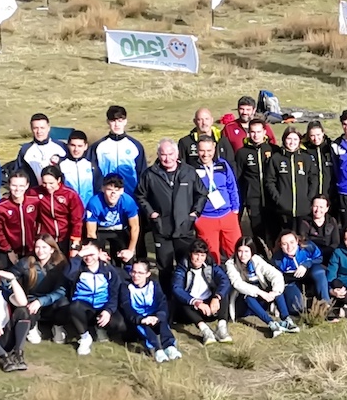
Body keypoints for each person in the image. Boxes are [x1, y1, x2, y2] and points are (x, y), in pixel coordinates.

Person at [136, 139, 207, 278]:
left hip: (185, 227)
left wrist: (195, 213)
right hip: (161, 229)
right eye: (163, 154)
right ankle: (166, 292)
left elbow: (202, 194)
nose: (167, 158)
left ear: (177, 154)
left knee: (186, 265)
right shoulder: (150, 174)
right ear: (158, 154)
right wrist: (151, 213)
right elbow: (140, 195)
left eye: (170, 154)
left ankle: (184, 292)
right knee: (164, 267)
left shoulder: (189, 172)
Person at [61, 241, 125, 354]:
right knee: (74, 307)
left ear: (99, 252)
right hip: (84, 307)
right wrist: (79, 255)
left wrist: (108, 310)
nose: (88, 258)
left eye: (92, 254)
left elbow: (114, 293)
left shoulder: (108, 270)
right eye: (85, 254)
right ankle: (85, 337)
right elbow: (67, 274)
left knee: (120, 325)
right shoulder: (78, 267)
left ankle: (99, 328)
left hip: (102, 306)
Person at [190, 135, 241, 263]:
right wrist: (195, 216)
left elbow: (232, 186)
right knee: (211, 255)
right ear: (197, 150)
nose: (205, 154)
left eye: (209, 150)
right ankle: (214, 274)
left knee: (235, 251)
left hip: (227, 214)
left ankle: (238, 273)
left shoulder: (222, 164)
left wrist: (235, 208)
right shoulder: (191, 168)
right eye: (202, 150)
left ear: (214, 148)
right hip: (205, 217)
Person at [226, 240, 293, 337]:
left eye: (246, 251)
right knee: (247, 296)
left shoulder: (256, 259)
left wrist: (274, 292)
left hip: (261, 297)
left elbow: (275, 274)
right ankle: (271, 324)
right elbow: (237, 284)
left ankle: (287, 320)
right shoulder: (231, 264)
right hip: (244, 301)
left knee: (277, 290)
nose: (243, 255)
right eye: (240, 251)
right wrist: (260, 292)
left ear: (251, 251)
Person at [171, 239, 233, 342]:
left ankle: (221, 328)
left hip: (210, 304)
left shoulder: (210, 264)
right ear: (190, 254)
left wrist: (216, 298)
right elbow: (176, 288)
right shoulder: (182, 268)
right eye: (196, 254)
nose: (199, 259)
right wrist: (196, 302)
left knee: (223, 293)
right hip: (193, 307)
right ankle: (205, 331)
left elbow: (225, 280)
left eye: (202, 255)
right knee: (183, 300)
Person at [120, 259, 180, 363]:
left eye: (140, 273)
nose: (136, 275)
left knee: (162, 321)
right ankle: (156, 349)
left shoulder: (154, 284)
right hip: (137, 318)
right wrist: (140, 319)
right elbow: (126, 307)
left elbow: (162, 302)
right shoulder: (125, 286)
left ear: (148, 274)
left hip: (153, 315)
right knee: (144, 327)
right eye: (133, 272)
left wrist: (158, 316)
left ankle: (170, 346)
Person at [17, 236, 72, 344]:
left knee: (64, 304)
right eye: (37, 247)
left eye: (44, 247)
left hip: (52, 301)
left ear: (52, 249)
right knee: (24, 310)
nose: (40, 251)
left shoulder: (61, 264)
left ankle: (57, 326)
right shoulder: (26, 262)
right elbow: (9, 278)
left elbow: (61, 290)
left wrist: (41, 301)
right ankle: (32, 326)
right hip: (31, 301)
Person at [0, 172, 42, 268]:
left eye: (21, 186)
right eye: (14, 185)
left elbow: (40, 222)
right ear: (9, 185)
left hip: (31, 249)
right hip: (8, 251)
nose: (17, 189)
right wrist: (9, 250)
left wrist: (37, 243)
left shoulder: (35, 201)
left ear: (27, 185)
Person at [92, 104, 146, 194]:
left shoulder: (135, 146)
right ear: (108, 122)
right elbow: (92, 174)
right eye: (113, 121)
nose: (117, 124)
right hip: (106, 195)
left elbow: (142, 173)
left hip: (130, 195)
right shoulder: (98, 147)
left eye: (120, 120)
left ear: (125, 121)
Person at [34, 166, 86, 252]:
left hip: (64, 238)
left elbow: (77, 219)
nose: (47, 186)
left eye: (51, 183)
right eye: (44, 183)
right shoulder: (34, 192)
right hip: (44, 239)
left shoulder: (70, 194)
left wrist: (75, 240)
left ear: (58, 180)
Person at [273, 230, 328, 310]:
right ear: (280, 245)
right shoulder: (277, 259)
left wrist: (306, 264)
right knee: (296, 308)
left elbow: (319, 258)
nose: (289, 247)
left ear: (297, 241)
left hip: (310, 274)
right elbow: (278, 277)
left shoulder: (308, 247)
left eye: (292, 242)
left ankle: (326, 303)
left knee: (319, 271)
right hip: (292, 281)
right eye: (285, 244)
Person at [13, 113, 68, 185]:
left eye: (42, 128)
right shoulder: (25, 149)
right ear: (31, 129)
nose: (39, 131)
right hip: (35, 190)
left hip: (59, 190)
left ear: (48, 128)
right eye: (35, 128)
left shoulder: (62, 146)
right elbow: (19, 173)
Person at [58, 130, 99, 202]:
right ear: (68, 145)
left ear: (85, 146)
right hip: (69, 206)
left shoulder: (92, 165)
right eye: (73, 145)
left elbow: (99, 187)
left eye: (80, 146)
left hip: (88, 206)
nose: (76, 149)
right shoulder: (61, 165)